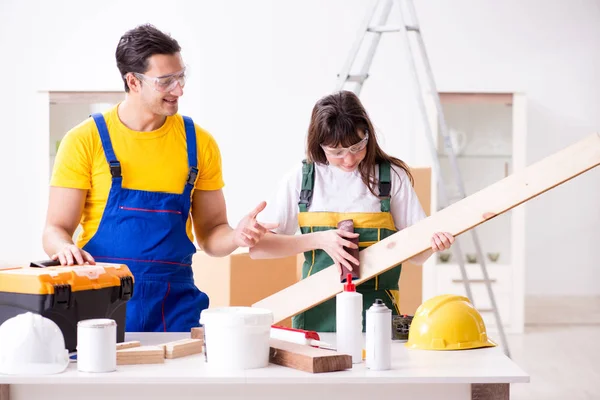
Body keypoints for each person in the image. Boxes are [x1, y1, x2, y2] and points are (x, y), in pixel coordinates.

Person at [42, 24, 276, 333]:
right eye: (166, 81)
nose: (179, 89)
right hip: (100, 305)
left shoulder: (199, 144)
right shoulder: (85, 140)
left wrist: (236, 236)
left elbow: (211, 234)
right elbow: (54, 230)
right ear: (133, 82)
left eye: (181, 77)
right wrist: (63, 247)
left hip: (175, 306)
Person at [249, 90, 454, 332]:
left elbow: (417, 256)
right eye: (336, 152)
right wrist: (320, 240)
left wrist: (433, 245)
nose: (348, 159)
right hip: (314, 317)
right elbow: (259, 249)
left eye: (357, 146)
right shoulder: (303, 178)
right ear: (319, 145)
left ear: (368, 135)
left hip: (377, 316)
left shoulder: (391, 177)